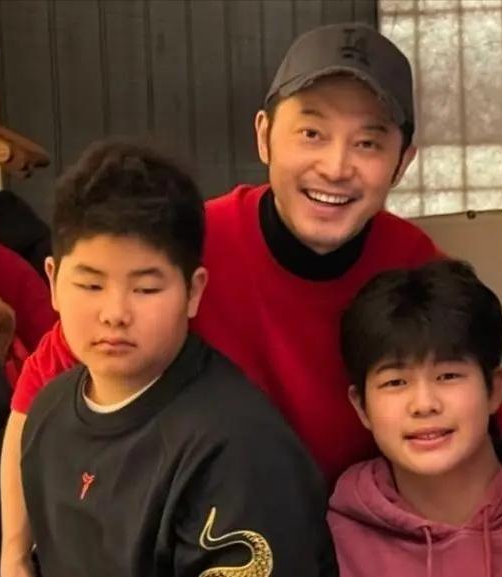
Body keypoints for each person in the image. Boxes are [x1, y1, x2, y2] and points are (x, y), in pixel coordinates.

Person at [0, 23, 502, 577]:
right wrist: (14, 556)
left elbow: (479, 437)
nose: (336, 166)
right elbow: (38, 394)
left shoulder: (419, 273)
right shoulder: (182, 249)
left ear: (403, 160)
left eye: (368, 142)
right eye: (311, 132)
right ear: (264, 135)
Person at [19, 140, 335, 577]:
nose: (115, 314)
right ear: (53, 282)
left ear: (193, 291)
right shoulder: (48, 414)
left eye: (146, 288)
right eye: (90, 285)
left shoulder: (238, 450)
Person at [329, 259, 502, 577]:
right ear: (361, 407)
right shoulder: (329, 540)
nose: (424, 405)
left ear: (495, 389)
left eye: (448, 376)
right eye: (395, 382)